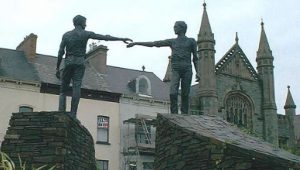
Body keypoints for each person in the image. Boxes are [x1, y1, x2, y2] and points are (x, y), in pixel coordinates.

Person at [56, 15, 132, 118]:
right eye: (85, 22)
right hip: (80, 61)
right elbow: (105, 37)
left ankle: (61, 112)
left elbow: (61, 52)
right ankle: (73, 113)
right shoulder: (86, 34)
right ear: (81, 23)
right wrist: (121, 39)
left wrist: (57, 68)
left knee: (63, 89)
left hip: (69, 61)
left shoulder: (66, 35)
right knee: (76, 87)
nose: (86, 24)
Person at [127, 21, 199, 114]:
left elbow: (195, 58)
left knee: (185, 94)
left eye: (176, 27)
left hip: (187, 69)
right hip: (176, 69)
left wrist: (198, 72)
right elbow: (154, 43)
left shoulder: (191, 41)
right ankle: (174, 115)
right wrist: (136, 43)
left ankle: (184, 115)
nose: (174, 28)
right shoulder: (172, 42)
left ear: (182, 28)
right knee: (173, 93)